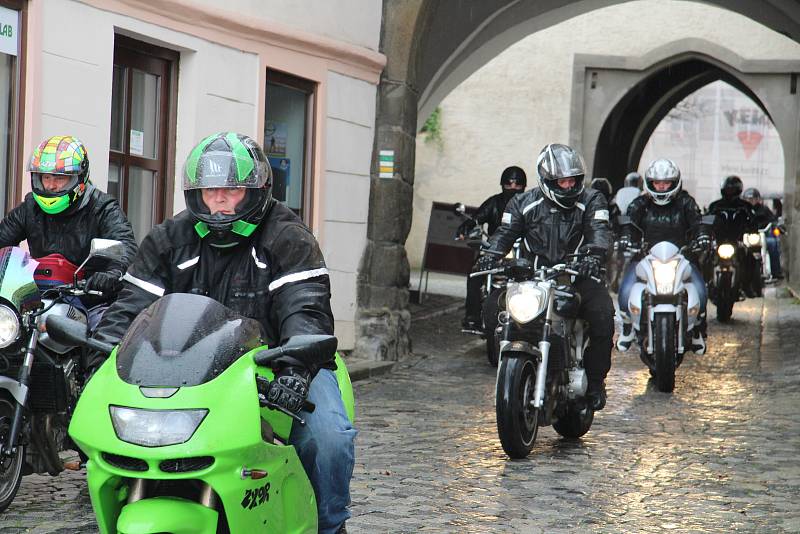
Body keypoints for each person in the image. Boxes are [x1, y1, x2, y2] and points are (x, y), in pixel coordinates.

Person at [92, 132, 354, 534]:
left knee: (328, 439)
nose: (219, 200)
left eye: (230, 190)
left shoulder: (287, 236)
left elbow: (306, 309)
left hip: (277, 363)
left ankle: (328, 528)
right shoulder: (168, 239)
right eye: (210, 189)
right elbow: (130, 309)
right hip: (183, 374)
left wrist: (296, 371)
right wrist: (101, 362)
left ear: (256, 190)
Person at [480, 144, 614, 410]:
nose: (567, 186)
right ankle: (510, 368)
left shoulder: (591, 200)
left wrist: (594, 255)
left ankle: (596, 382)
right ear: (546, 180)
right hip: (533, 277)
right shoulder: (523, 202)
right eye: (561, 181)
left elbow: (599, 230)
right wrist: (490, 254)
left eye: (572, 180)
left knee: (602, 316)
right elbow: (505, 232)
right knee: (490, 307)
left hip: (576, 274)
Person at [0, 135, 137, 329]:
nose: (51, 185)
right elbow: (3, 236)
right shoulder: (30, 207)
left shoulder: (103, 208)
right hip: (37, 299)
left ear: (79, 179)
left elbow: (126, 247)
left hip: (92, 302)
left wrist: (112, 273)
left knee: (105, 337)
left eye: (59, 178)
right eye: (46, 177)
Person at [616, 159, 710, 355]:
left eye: (666, 183)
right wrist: (625, 237)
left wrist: (702, 235)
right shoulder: (640, 203)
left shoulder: (686, 202)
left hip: (682, 257)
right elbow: (628, 222)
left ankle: (696, 330)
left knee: (700, 292)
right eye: (657, 183)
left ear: (675, 182)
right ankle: (627, 327)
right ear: (650, 183)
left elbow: (697, 221)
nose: (661, 187)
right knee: (625, 293)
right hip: (644, 256)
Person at [459, 165, 527, 331]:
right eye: (509, 185)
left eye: (517, 186)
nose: (513, 189)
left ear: (523, 186)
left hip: (522, 250)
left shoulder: (529, 203)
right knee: (474, 273)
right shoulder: (494, 202)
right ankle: (472, 315)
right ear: (502, 185)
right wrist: (466, 227)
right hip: (494, 250)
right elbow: (478, 217)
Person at [707, 175, 758, 297]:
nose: (730, 192)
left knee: (750, 258)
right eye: (728, 189)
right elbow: (706, 219)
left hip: (737, 241)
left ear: (738, 190)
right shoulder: (715, 206)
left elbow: (753, 221)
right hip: (719, 241)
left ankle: (746, 285)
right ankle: (706, 282)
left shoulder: (745, 206)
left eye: (733, 190)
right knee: (705, 257)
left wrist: (753, 229)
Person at [742, 187, 782, 279]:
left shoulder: (764, 209)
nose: (751, 201)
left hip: (762, 236)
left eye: (753, 199)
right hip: (746, 238)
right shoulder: (742, 210)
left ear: (758, 199)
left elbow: (773, 220)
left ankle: (776, 272)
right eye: (748, 199)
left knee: (773, 243)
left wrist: (776, 225)